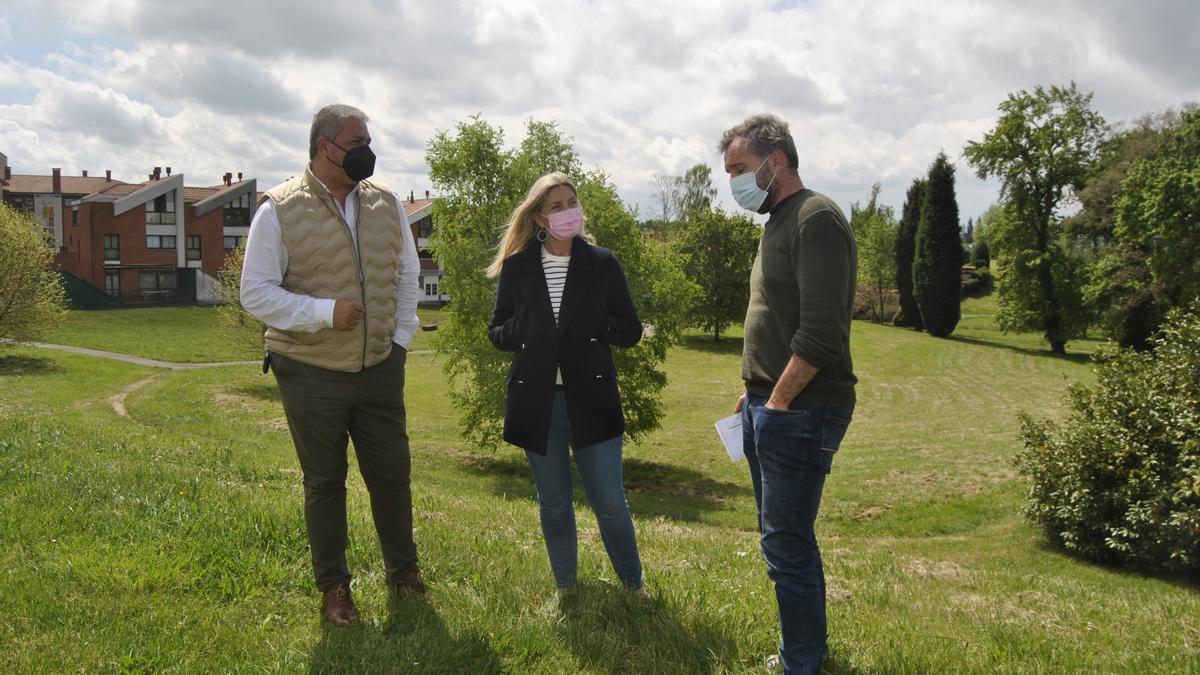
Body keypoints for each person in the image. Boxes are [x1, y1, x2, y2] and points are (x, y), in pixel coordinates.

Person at [240, 103, 424, 627]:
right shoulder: (277, 209)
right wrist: (323, 314)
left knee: (392, 476)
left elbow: (407, 276)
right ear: (326, 147)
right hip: (310, 370)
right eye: (356, 140)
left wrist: (401, 340)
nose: (367, 149)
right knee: (325, 482)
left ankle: (404, 574)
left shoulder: (386, 202)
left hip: (381, 366)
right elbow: (254, 293)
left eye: (368, 139)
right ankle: (335, 589)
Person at [719, 114, 857, 674]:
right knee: (779, 542)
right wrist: (751, 394)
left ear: (775, 162)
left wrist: (775, 404)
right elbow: (775, 320)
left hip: (801, 409)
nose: (733, 182)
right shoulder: (776, 221)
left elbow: (822, 333)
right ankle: (797, 652)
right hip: (768, 405)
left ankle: (802, 663)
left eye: (739, 169)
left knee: (788, 546)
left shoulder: (815, 218)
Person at [486, 172, 647, 597]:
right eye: (556, 207)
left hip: (592, 398)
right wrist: (522, 326)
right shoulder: (517, 268)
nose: (567, 212)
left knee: (610, 503)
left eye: (571, 202)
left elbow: (630, 330)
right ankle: (566, 590)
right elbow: (497, 333)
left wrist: (600, 323)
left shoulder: (602, 263)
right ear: (539, 218)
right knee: (555, 503)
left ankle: (634, 588)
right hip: (538, 402)